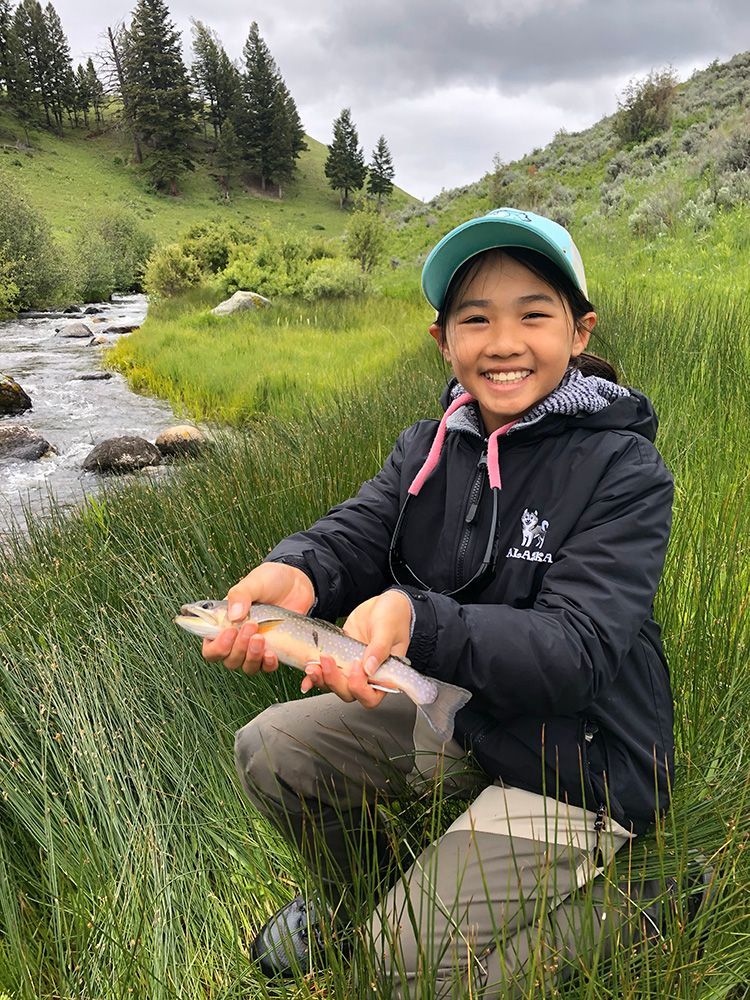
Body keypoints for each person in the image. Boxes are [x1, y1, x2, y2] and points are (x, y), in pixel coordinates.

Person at [202, 207, 675, 996]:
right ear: (443, 341)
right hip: (459, 715)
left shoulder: (623, 470)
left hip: (576, 760)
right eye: (475, 318)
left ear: (580, 331)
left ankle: (644, 898)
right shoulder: (428, 446)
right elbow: (357, 534)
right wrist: (297, 575)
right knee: (272, 752)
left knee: (411, 968)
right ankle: (360, 901)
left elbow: (579, 652)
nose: (503, 342)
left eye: (534, 314)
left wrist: (422, 620)